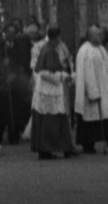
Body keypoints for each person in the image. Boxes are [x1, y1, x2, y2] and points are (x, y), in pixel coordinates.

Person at [74, 25, 108, 153]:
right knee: (91, 120)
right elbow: (88, 74)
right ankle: (88, 145)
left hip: (106, 88)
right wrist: (93, 92)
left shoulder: (100, 48)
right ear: (90, 36)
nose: (101, 36)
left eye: (101, 34)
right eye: (98, 34)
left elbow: (103, 64)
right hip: (94, 91)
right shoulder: (86, 51)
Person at [30, 26, 76, 158]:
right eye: (60, 37)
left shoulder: (48, 48)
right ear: (57, 37)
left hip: (49, 91)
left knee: (55, 120)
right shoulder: (49, 50)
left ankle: (63, 149)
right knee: (52, 122)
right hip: (49, 92)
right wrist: (64, 76)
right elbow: (45, 73)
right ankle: (49, 150)